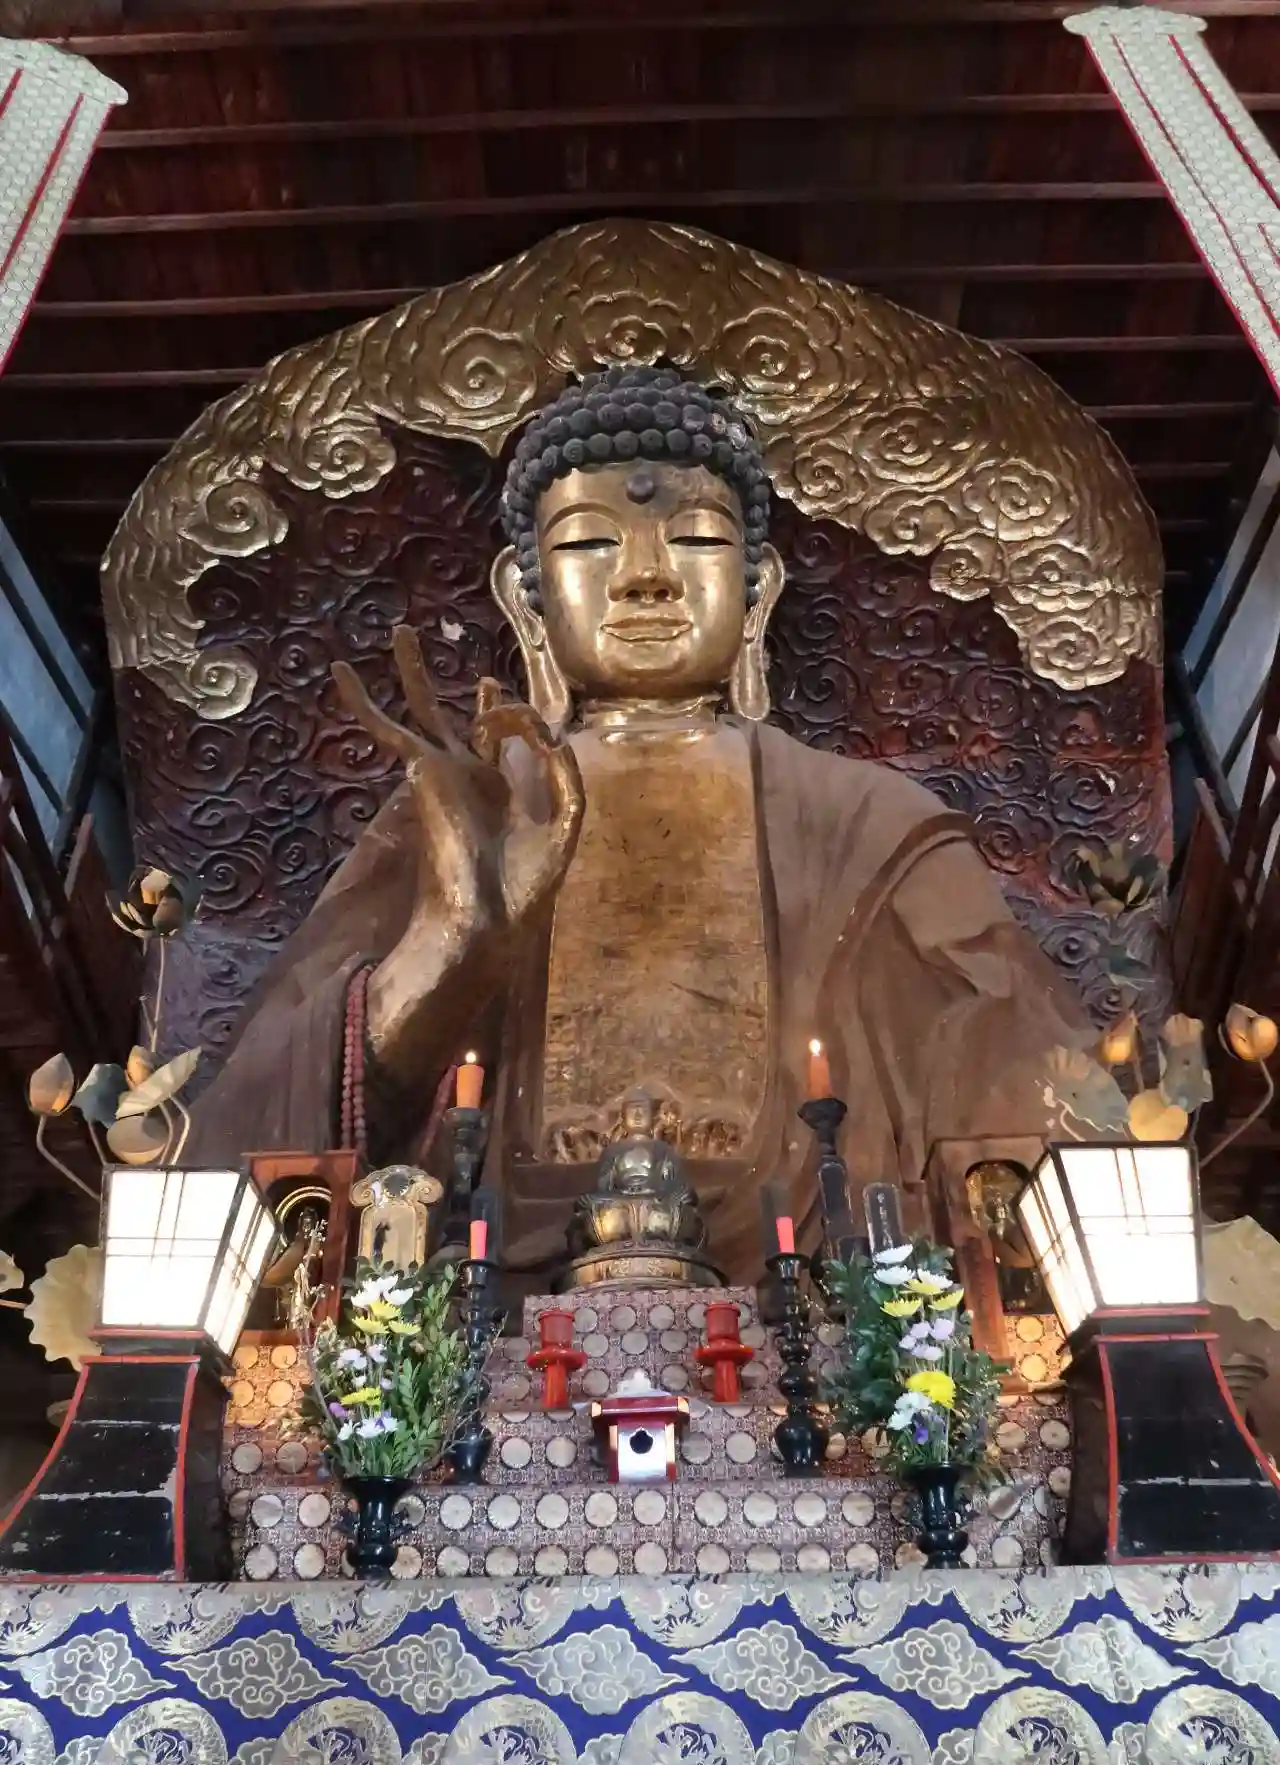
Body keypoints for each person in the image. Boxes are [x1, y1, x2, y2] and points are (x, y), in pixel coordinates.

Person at [186, 364, 1080, 1288]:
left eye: (695, 538)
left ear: (757, 590)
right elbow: (247, 1160)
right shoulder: (461, 816)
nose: (647, 578)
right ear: (526, 598)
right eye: (588, 544)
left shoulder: (872, 825)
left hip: (826, 1311)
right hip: (484, 1313)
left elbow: (1028, 1113)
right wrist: (447, 951)